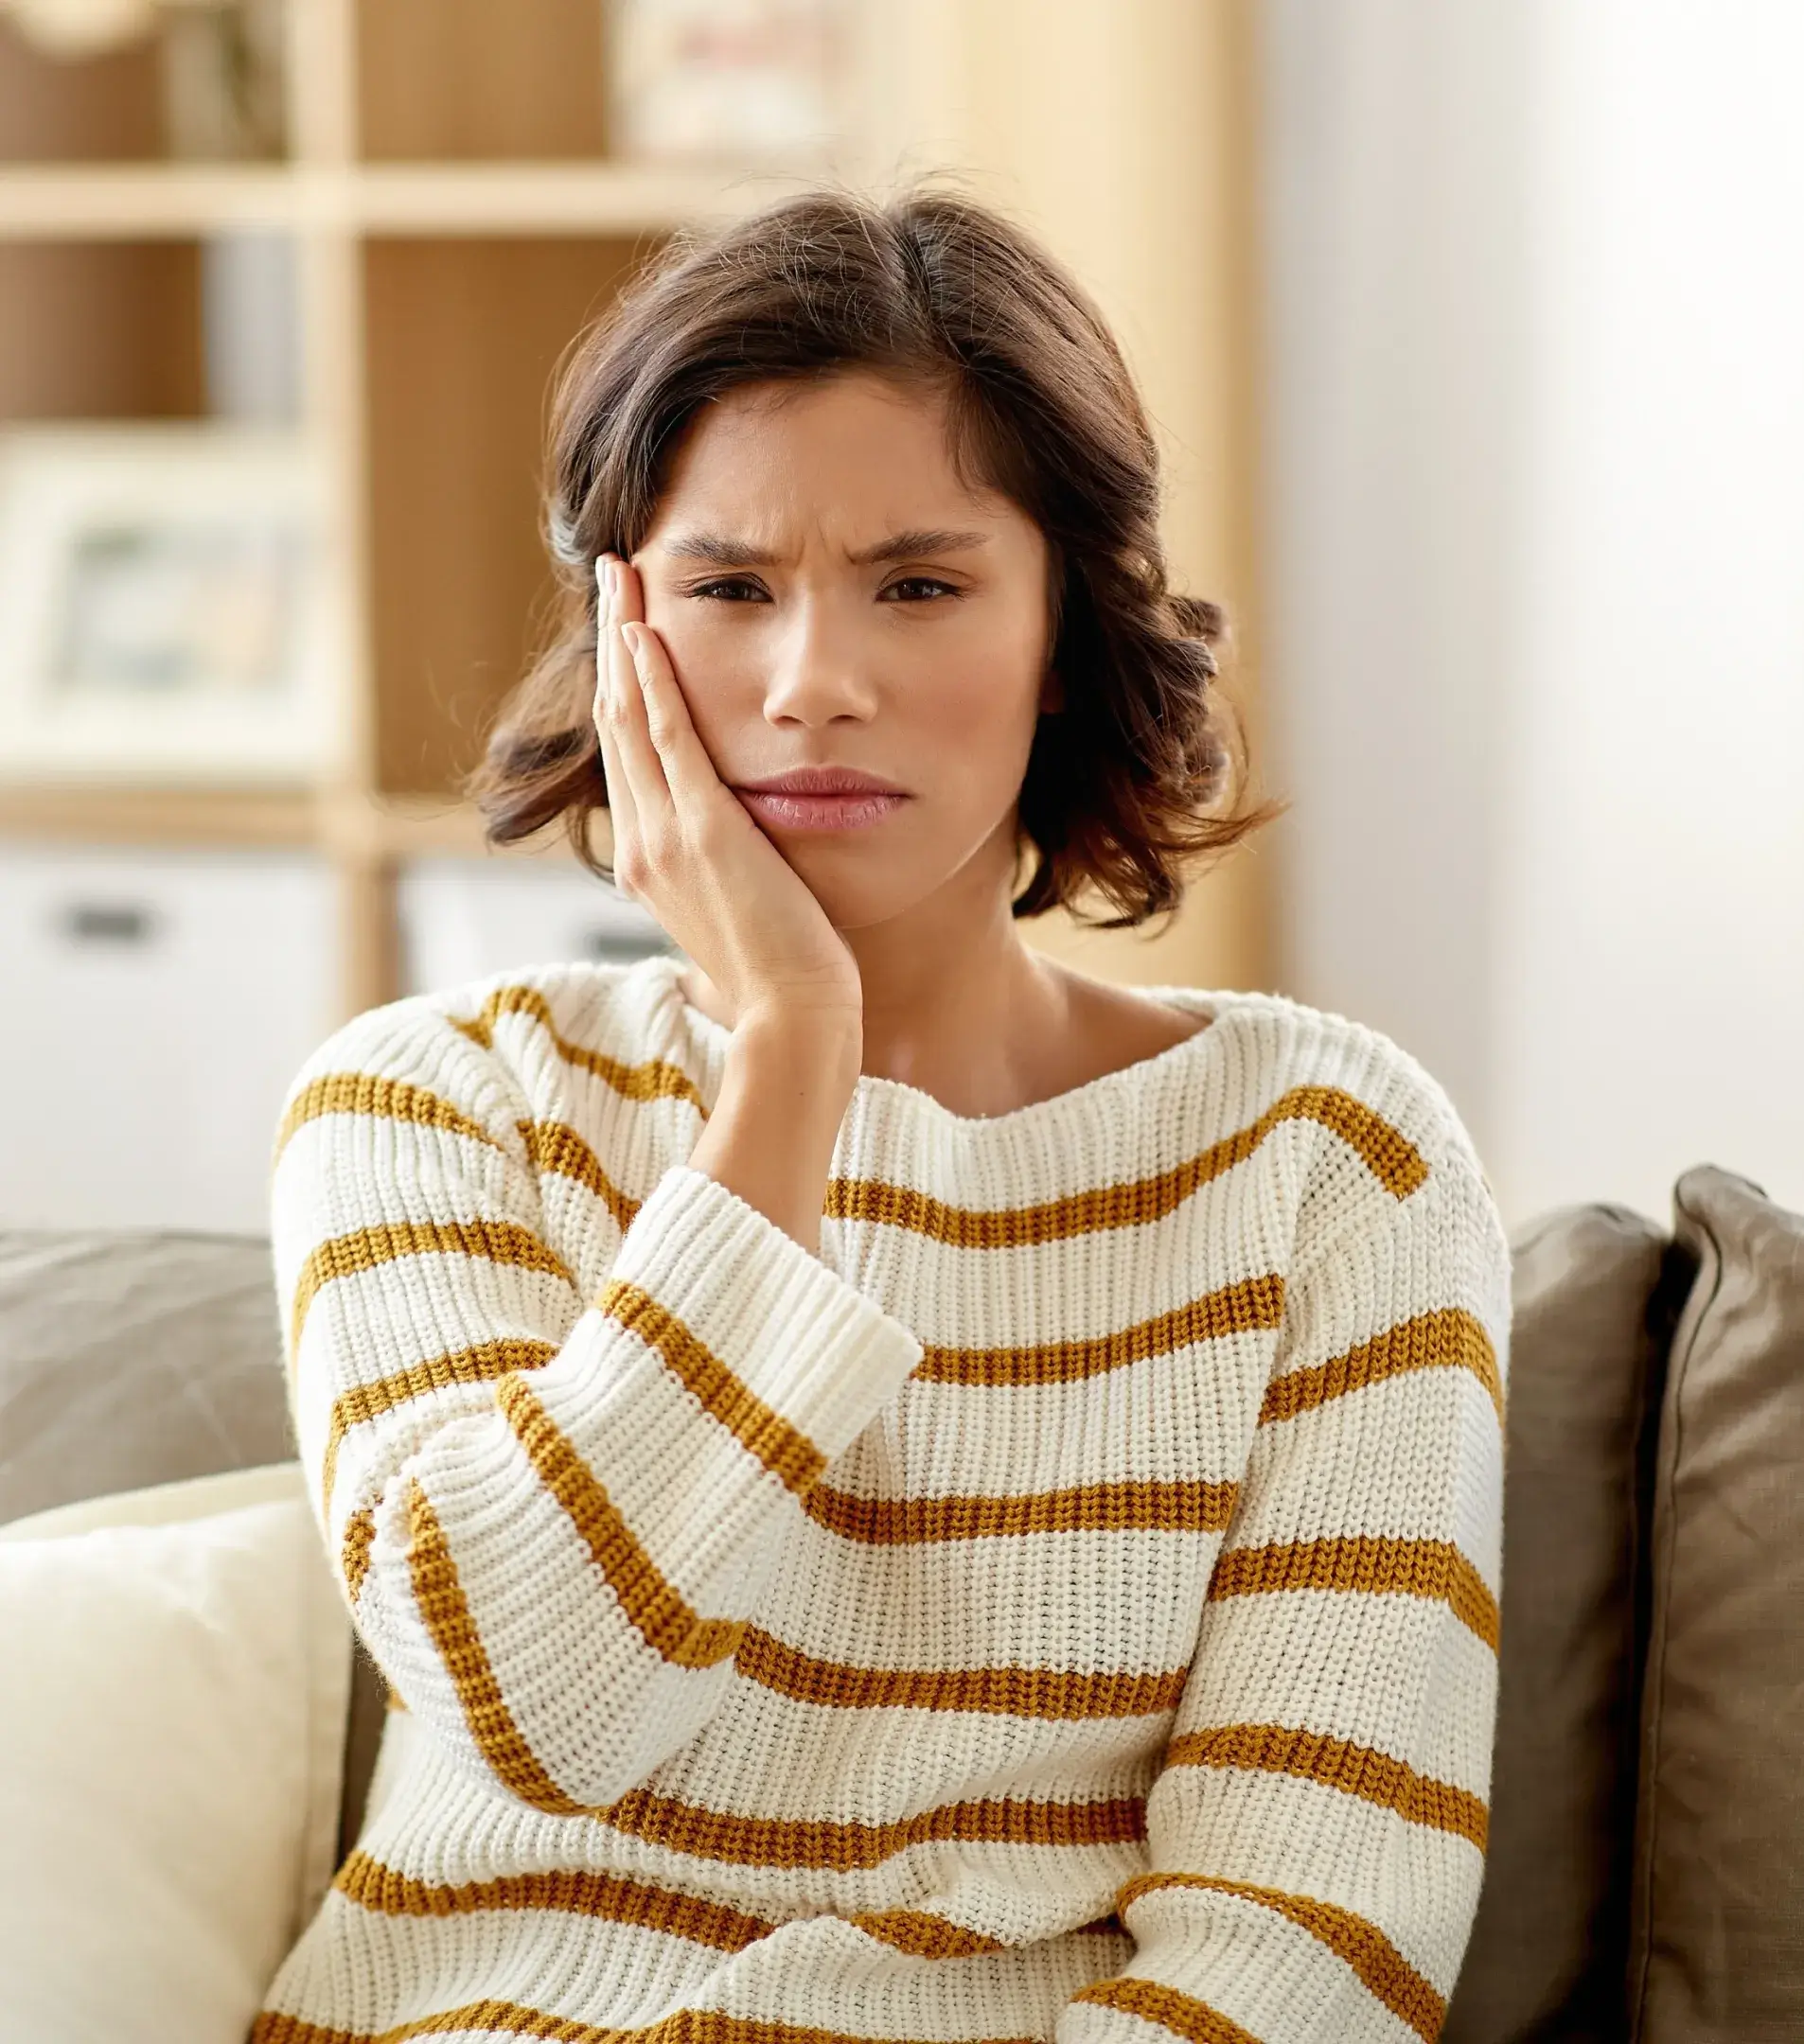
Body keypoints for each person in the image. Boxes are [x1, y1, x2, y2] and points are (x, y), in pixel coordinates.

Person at [256, 186, 1512, 2044]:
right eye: (724, 587)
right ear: (619, 636)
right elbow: (542, 1707)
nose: (811, 685)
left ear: (1066, 632)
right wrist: (784, 1064)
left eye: (916, 585)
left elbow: (1313, 1931)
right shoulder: (426, 1106)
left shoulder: (1330, 1159)